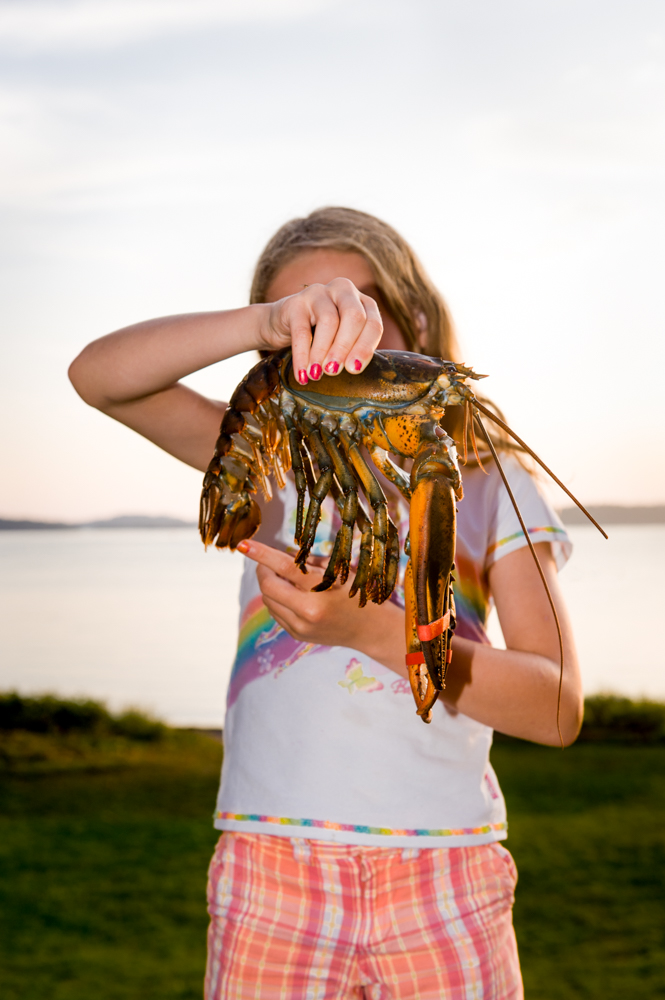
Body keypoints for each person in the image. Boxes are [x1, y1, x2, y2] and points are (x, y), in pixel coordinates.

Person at [69, 206, 582, 1000]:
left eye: (356, 301)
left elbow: (555, 708)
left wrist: (378, 631)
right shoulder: (269, 462)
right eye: (304, 317)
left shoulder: (495, 482)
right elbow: (97, 377)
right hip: (269, 863)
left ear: (411, 316)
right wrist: (264, 321)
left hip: (446, 867)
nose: (332, 328)